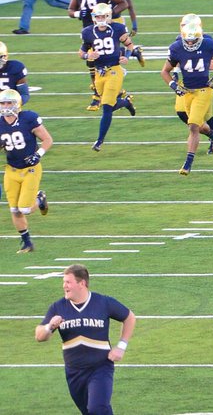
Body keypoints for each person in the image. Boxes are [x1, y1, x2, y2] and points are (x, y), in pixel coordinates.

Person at [36, 264, 136, 414]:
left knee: (97, 409)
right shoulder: (58, 307)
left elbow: (129, 317)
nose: (64, 286)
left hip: (100, 367)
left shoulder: (102, 302)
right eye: (64, 282)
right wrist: (49, 326)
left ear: (82, 283)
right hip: (74, 372)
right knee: (91, 411)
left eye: (68, 282)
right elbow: (39, 336)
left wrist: (121, 346)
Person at [162, 13, 213, 176]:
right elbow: (171, 66)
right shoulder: (177, 44)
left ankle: (189, 162)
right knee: (184, 115)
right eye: (183, 27)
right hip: (186, 86)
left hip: (203, 88)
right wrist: (174, 81)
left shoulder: (208, 42)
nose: (189, 41)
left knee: (196, 124)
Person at [80, 3, 136, 151]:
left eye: (103, 16)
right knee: (109, 105)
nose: (100, 19)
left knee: (105, 107)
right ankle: (125, 103)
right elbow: (81, 52)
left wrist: (127, 57)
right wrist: (88, 55)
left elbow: (130, 46)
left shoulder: (117, 29)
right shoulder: (87, 32)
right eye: (97, 16)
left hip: (114, 70)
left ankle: (99, 141)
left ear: (109, 16)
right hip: (99, 72)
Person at [2, 88, 50, 253]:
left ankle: (39, 199)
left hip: (30, 169)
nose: (6, 106)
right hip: (11, 170)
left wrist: (38, 154)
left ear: (17, 104)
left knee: (25, 209)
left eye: (9, 102)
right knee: (14, 209)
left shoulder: (28, 118)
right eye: (3, 102)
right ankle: (27, 242)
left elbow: (47, 139)